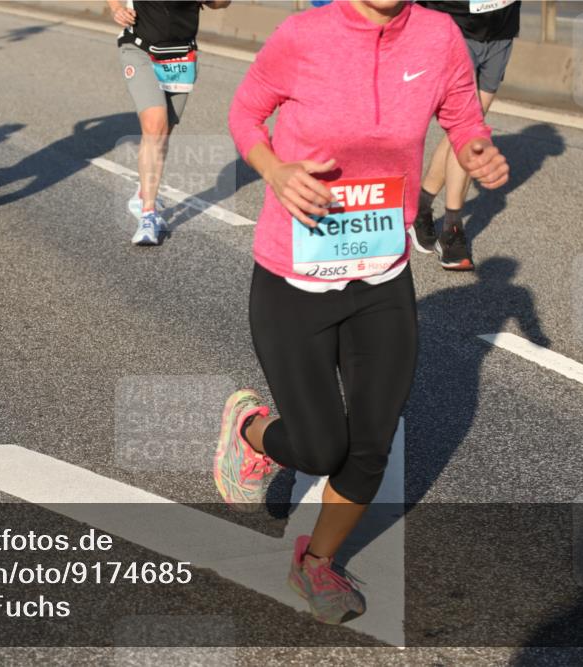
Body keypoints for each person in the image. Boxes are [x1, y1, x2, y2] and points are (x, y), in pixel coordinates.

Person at [217, 0, 509, 624]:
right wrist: (275, 170)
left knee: (371, 445)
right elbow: (246, 112)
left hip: (382, 277)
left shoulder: (437, 36)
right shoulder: (302, 35)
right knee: (322, 449)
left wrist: (475, 145)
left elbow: (460, 110)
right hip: (294, 279)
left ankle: (316, 561)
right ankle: (249, 427)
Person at [106, 0, 230, 246]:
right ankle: (148, 215)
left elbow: (222, 3)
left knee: (163, 132)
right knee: (155, 126)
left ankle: (143, 192)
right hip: (139, 49)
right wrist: (116, 9)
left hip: (180, 56)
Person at [412, 0, 522, 270]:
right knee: (467, 130)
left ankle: (421, 207)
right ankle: (452, 232)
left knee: (466, 128)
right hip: (457, 28)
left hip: (501, 32)